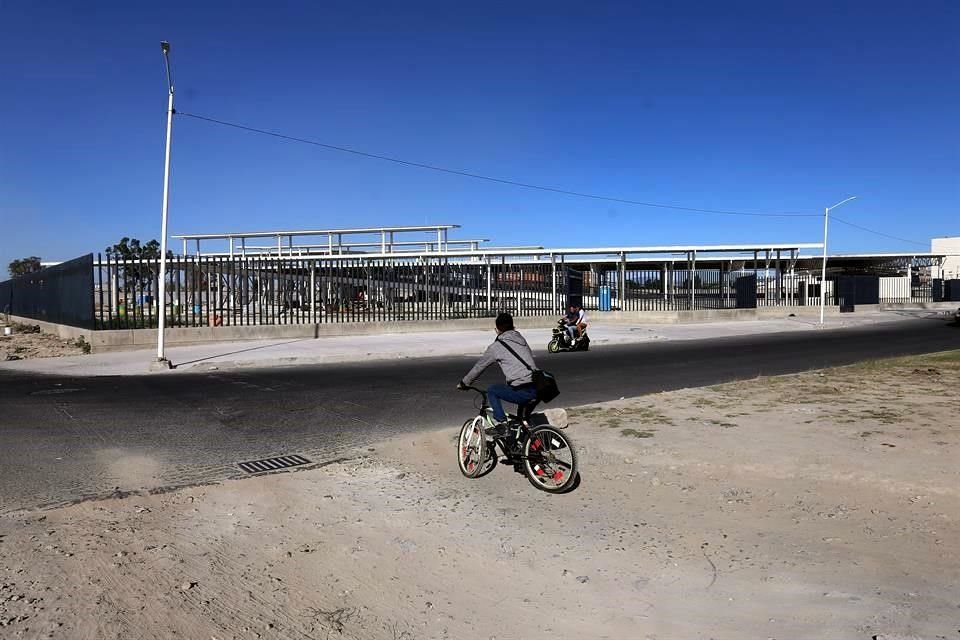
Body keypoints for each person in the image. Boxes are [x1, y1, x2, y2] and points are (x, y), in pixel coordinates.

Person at [457, 312, 538, 436]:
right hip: (538, 387)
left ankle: (502, 425)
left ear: (497, 329)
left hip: (523, 390)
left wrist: (464, 383)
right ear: (513, 326)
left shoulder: (496, 347)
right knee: (522, 420)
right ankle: (527, 443)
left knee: (492, 390)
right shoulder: (521, 339)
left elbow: (479, 367)